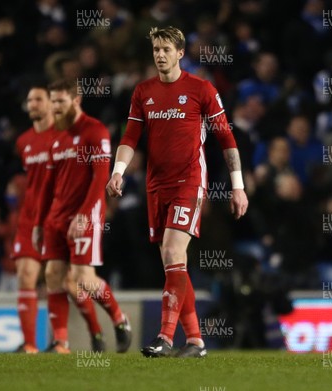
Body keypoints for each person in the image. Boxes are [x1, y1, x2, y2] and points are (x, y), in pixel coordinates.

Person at [106, 26, 249, 358]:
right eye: (156, 48)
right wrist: (118, 172)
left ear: (180, 53)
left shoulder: (201, 89)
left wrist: (237, 187)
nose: (159, 54)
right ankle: (197, 341)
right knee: (175, 265)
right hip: (156, 187)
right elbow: (129, 138)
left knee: (172, 253)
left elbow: (227, 139)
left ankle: (165, 337)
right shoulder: (143, 92)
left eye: (166, 49)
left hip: (190, 183)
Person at [33, 79, 132, 354]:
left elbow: (100, 176)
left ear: (76, 101)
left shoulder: (95, 131)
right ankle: (65, 342)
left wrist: (84, 215)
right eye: (52, 101)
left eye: (61, 101)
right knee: (55, 276)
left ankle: (119, 319)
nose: (55, 107)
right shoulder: (55, 135)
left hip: (85, 214)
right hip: (56, 216)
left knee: (83, 279)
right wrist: (40, 221)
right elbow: (47, 183)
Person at [8, 86, 106, 353]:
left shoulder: (64, 135)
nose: (33, 105)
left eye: (39, 99)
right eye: (29, 100)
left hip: (63, 216)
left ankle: (95, 332)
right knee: (26, 276)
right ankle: (31, 345)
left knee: (73, 283)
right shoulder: (23, 142)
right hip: (33, 217)